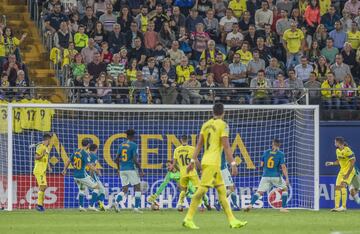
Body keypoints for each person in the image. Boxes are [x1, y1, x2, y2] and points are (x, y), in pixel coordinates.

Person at [182, 103, 247, 229]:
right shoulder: (223, 125)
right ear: (223, 112)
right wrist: (233, 163)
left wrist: (192, 161)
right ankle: (188, 218)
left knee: (222, 191)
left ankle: (232, 220)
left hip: (208, 161)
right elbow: (226, 146)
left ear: (213, 112)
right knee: (201, 190)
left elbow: (199, 145)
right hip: (213, 163)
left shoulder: (205, 125)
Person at [245, 139, 290, 212]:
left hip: (265, 175)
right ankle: (282, 208)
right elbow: (283, 167)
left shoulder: (266, 152)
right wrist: (287, 178)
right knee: (285, 188)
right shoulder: (280, 154)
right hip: (275, 175)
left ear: (272, 144)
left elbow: (261, 164)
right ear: (279, 145)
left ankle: (250, 205)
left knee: (259, 192)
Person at [173, 135, 211, 211]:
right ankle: (200, 205)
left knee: (183, 190)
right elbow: (196, 161)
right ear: (188, 140)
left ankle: (180, 205)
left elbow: (174, 164)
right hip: (192, 172)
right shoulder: (192, 149)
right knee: (198, 189)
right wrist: (201, 169)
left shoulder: (176, 150)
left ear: (181, 140)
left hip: (183, 173)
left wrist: (180, 169)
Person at [62, 139, 100, 211]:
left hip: (75, 176)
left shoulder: (76, 151)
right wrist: (96, 170)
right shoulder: (84, 153)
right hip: (83, 175)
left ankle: (81, 206)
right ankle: (91, 205)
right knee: (97, 187)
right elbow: (89, 165)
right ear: (88, 145)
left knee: (82, 189)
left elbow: (68, 161)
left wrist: (64, 169)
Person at [114, 129, 144, 213]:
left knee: (125, 189)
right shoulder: (134, 145)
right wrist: (140, 169)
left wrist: (118, 169)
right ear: (133, 136)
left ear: (126, 136)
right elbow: (134, 159)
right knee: (137, 187)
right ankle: (136, 208)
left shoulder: (121, 145)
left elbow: (116, 159)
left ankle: (116, 202)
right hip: (131, 169)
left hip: (122, 170)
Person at [325, 137, 356, 211]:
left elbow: (353, 162)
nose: (334, 143)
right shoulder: (337, 151)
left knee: (343, 185)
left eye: (335, 142)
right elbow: (339, 161)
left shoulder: (347, 150)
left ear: (339, 143)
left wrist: (348, 174)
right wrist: (331, 163)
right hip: (342, 171)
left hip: (350, 171)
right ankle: (336, 207)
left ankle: (344, 207)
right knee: (337, 187)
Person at [33, 134, 52, 212]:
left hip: (43, 171)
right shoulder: (40, 147)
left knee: (44, 187)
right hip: (38, 170)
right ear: (47, 140)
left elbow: (46, 159)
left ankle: (40, 205)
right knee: (43, 186)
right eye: (50, 140)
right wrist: (42, 155)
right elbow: (36, 157)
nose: (50, 141)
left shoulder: (47, 148)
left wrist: (49, 166)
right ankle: (39, 205)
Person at [88, 144, 106, 211]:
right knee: (102, 190)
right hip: (92, 176)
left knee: (98, 191)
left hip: (84, 175)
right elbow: (91, 167)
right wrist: (93, 177)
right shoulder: (94, 156)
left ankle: (100, 204)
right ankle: (92, 205)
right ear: (96, 149)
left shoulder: (86, 154)